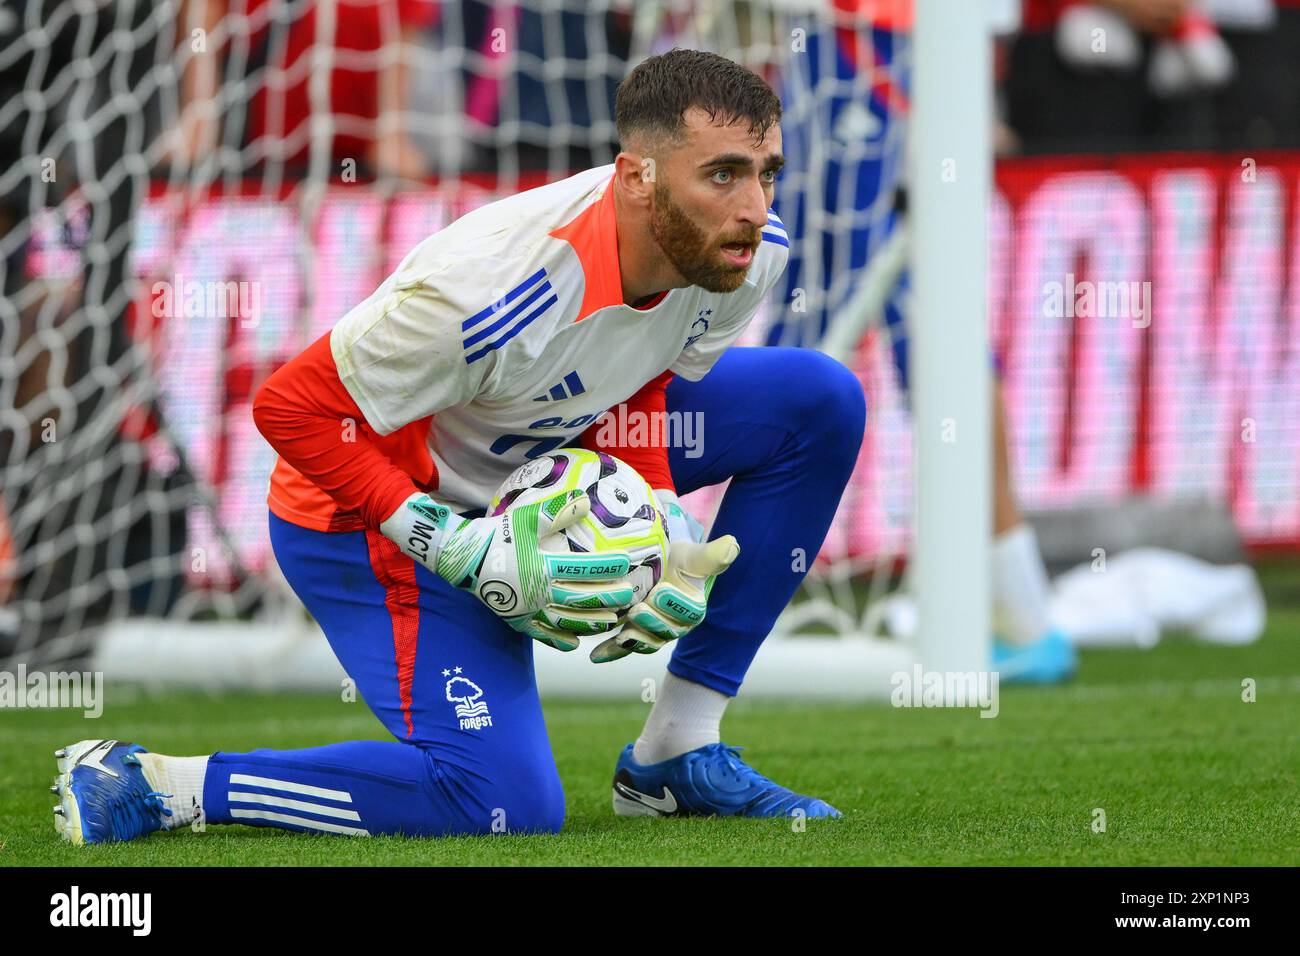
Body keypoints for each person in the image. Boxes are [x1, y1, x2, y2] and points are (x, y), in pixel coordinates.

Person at [51, 49, 867, 844]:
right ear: (635, 177)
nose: (754, 205)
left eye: (766, 173)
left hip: (538, 448)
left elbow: (645, 370)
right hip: (368, 512)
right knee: (500, 806)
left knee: (818, 403)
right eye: (722, 174)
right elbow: (294, 410)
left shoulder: (745, 251)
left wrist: (658, 509)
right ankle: (162, 784)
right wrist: (454, 546)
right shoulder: (486, 290)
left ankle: (677, 752)